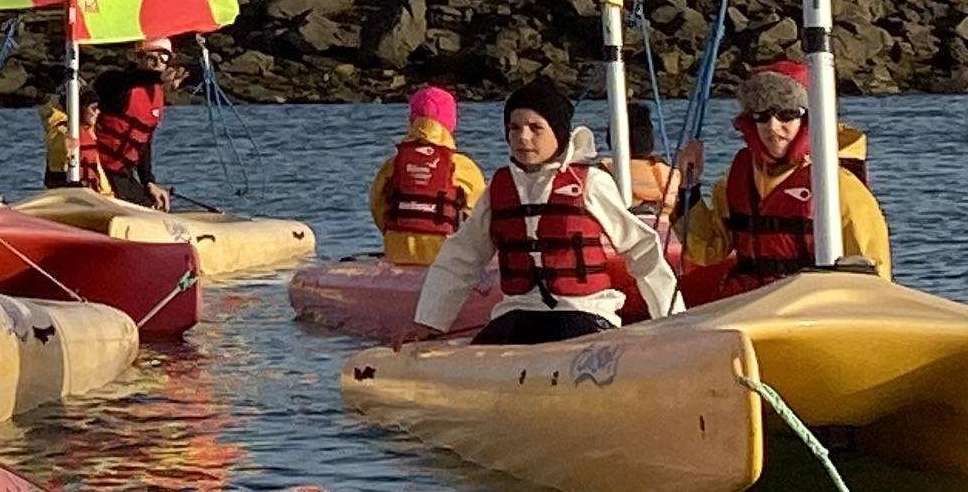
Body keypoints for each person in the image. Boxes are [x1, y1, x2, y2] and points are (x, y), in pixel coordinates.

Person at [411, 77, 679, 340]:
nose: (522, 137)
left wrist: (673, 320)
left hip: (584, 313)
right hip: (518, 314)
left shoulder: (591, 183)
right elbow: (462, 256)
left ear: (559, 133)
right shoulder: (499, 189)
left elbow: (641, 247)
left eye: (535, 128)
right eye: (514, 128)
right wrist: (429, 321)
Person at [682, 60, 892, 295]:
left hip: (811, 307)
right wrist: (688, 186)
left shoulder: (839, 185)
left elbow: (875, 270)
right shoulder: (736, 179)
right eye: (762, 115)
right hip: (748, 303)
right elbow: (706, 250)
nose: (772, 126)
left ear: (809, 119)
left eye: (787, 114)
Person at [368, 84, 486, 269]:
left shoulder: (394, 162)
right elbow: (481, 213)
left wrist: (391, 232)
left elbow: (377, 204)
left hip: (397, 250)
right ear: (451, 123)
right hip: (441, 253)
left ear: (412, 120)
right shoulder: (460, 165)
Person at [82, 61, 171, 208]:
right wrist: (158, 76)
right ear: (139, 57)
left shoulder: (155, 94)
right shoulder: (116, 84)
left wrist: (148, 181)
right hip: (99, 169)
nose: (157, 62)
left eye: (163, 58)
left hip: (123, 174)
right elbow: (129, 79)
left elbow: (143, 142)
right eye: (151, 57)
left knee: (154, 205)